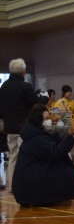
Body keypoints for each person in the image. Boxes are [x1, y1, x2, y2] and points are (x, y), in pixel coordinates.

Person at [12, 104, 74, 207]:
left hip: (30, 182)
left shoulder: (36, 134)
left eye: (49, 118)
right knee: (64, 170)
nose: (48, 121)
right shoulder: (37, 138)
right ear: (38, 120)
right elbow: (56, 153)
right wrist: (70, 136)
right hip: (31, 185)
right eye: (46, 119)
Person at [0, 58, 40, 193]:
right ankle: (25, 185)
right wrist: (43, 99)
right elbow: (35, 104)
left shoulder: (4, 86)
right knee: (26, 157)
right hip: (23, 128)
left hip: (9, 128)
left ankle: (12, 186)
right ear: (22, 71)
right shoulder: (25, 86)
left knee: (12, 156)